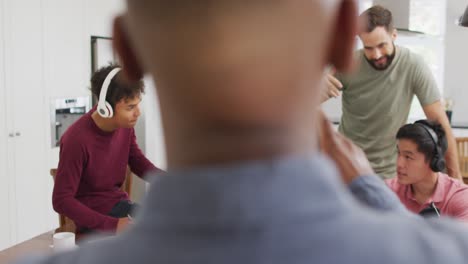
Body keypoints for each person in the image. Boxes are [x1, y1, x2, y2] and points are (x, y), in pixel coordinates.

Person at [13, 1, 468, 263]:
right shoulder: (443, 251)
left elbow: (141, 165)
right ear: (338, 40)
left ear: (129, 49)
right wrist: (370, 188)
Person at [323, 5, 461, 180]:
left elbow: (440, 123)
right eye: (369, 48)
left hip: (389, 173)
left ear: (394, 35)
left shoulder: (413, 65)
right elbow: (299, 106)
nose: (376, 54)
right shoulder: (348, 65)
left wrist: (456, 180)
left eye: (382, 45)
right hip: (345, 165)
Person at [52, 64, 161, 235]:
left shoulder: (124, 125)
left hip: (119, 207)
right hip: (94, 221)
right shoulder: (76, 140)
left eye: (137, 105)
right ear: (106, 108)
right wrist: (113, 225)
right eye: (130, 107)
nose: (137, 113)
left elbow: (137, 161)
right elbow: (61, 200)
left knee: (169, 223)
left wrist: (170, 181)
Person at [385, 120, 468, 221]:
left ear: (434, 160)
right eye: (399, 154)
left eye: (408, 157)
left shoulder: (460, 197)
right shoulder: (388, 191)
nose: (399, 164)